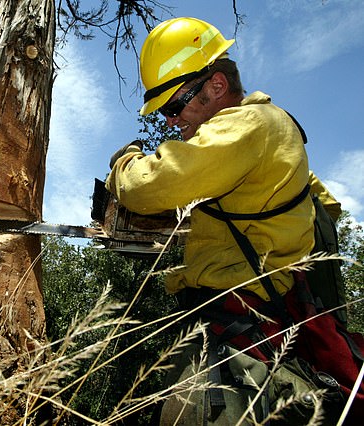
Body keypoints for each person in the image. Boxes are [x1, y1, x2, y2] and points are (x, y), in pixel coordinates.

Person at [105, 17, 342, 424]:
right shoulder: (266, 136)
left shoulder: (248, 124)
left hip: (236, 332)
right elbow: (315, 209)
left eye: (175, 105)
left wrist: (123, 164)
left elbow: (149, 184)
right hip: (254, 325)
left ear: (216, 86)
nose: (171, 120)